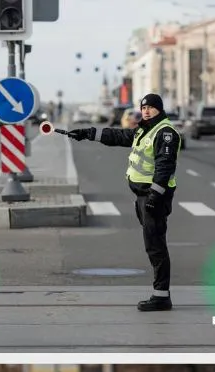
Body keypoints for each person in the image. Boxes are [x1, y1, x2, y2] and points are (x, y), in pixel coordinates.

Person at [65, 94, 181, 312]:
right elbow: (117, 136)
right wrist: (87, 133)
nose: (146, 111)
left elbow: (165, 166)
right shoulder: (145, 129)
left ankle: (161, 297)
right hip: (144, 196)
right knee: (152, 244)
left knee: (155, 246)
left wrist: (155, 196)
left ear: (159, 109)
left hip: (154, 196)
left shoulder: (165, 133)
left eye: (151, 107)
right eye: (143, 107)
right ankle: (160, 294)